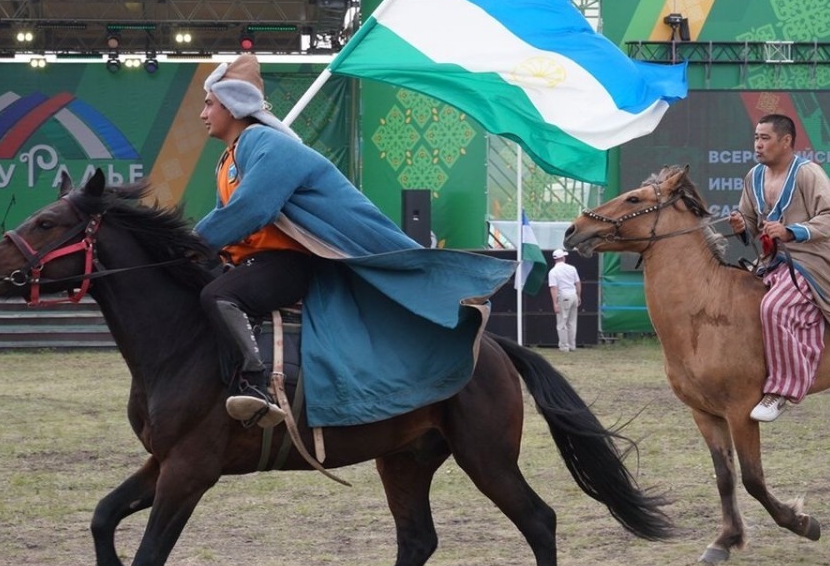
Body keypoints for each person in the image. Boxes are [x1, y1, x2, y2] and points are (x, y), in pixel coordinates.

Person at [193, 54, 513, 426]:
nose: (203, 114)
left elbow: (250, 210)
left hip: (286, 263)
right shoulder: (228, 159)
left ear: (232, 106)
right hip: (253, 261)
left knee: (217, 296)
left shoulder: (267, 143)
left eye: (209, 104)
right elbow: (226, 224)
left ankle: (253, 385)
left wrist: (189, 243)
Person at [728, 113, 830, 423]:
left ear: (786, 141)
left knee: (775, 308)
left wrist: (791, 232)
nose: (758, 144)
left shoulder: (809, 173)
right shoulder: (753, 177)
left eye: (765, 138)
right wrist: (740, 224)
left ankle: (782, 390)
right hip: (770, 261)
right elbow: (750, 225)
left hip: (811, 261)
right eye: (756, 138)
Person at [548, 247, 581, 351]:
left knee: (562, 322)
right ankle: (572, 345)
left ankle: (564, 346)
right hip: (573, 294)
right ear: (563, 258)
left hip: (563, 296)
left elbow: (554, 288)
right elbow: (578, 283)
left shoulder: (553, 272)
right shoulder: (572, 268)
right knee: (572, 322)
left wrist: (555, 303)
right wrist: (578, 296)